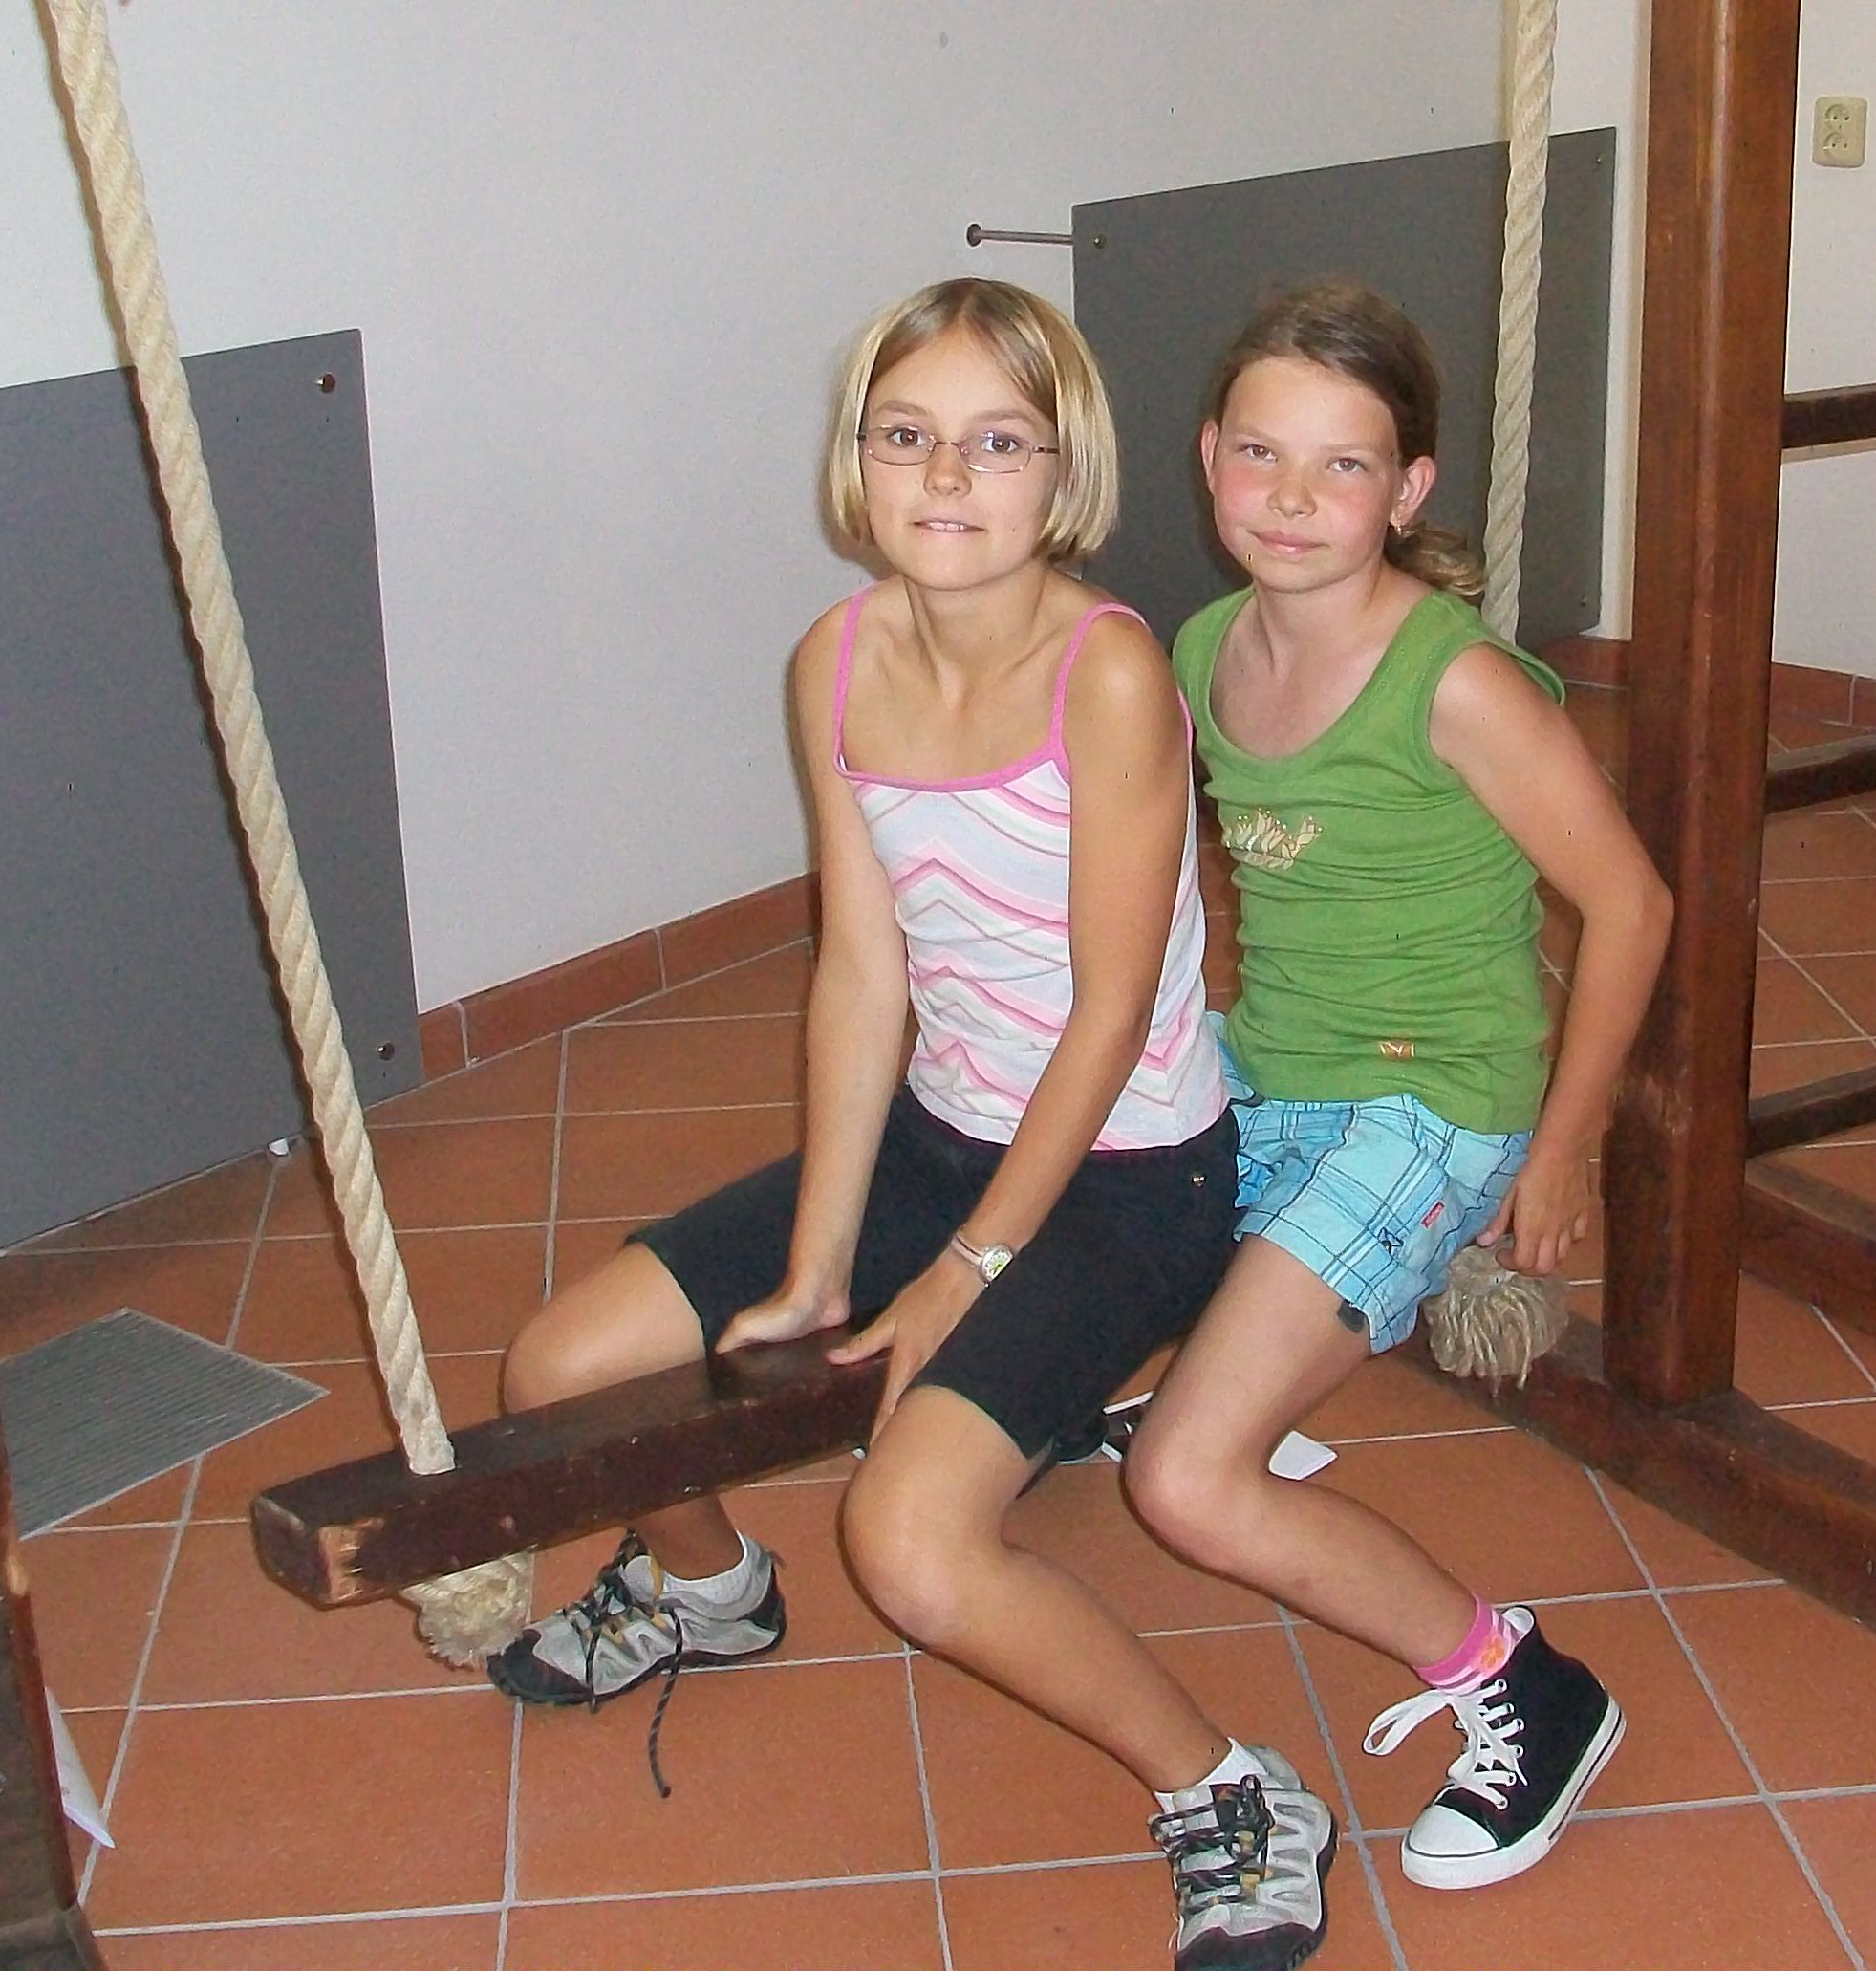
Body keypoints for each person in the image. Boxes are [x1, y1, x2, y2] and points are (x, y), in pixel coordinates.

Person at [489, 278, 1340, 1971]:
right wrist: (823, 1260)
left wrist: (967, 1265)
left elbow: (1109, 1011)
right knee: (555, 1371)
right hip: (941, 1140)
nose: (946, 477)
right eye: (907, 436)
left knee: (911, 1540)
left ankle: (1230, 1788)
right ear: (855, 461)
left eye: (996, 443)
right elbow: (863, 969)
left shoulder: (1105, 676)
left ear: (1062, 474)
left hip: (1128, 1173)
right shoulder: (832, 659)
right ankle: (707, 1593)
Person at [1125, 278, 1673, 1893]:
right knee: (1051, 1179)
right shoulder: (1204, 645)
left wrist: (1563, 1149)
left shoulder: (1455, 682)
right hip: (1273, 1058)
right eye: (1261, 454)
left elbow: (1632, 905)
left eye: (1344, 465)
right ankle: (1219, 1364)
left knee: (1184, 1479)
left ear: (1408, 488)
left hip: (1432, 1095)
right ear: (1207, 458)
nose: (1292, 498)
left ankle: (1526, 1688)